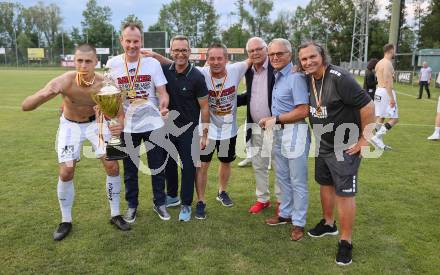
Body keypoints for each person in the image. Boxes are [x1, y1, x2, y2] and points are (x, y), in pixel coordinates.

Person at [21, 44, 130, 241]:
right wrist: (45, 94)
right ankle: (65, 220)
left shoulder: (105, 83)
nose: (83, 65)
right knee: (66, 171)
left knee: (112, 166)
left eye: (88, 61)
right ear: (74, 61)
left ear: (96, 62)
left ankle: (115, 214)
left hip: (96, 124)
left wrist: (118, 126)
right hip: (70, 126)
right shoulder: (65, 81)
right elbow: (26, 106)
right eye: (79, 60)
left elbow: (120, 115)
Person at [298, 41, 375, 265]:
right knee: (325, 183)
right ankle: (328, 224)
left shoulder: (340, 77)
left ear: (322, 56)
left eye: (312, 57)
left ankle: (346, 241)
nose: (308, 62)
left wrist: (364, 139)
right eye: (304, 59)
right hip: (323, 142)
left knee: (345, 193)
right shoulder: (307, 77)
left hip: (345, 144)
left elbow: (368, 106)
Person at [106, 22, 170, 223]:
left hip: (153, 124)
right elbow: (109, 94)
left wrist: (163, 107)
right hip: (127, 126)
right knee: (130, 170)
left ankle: (159, 202)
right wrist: (112, 118)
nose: (132, 45)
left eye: (136, 41)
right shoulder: (113, 64)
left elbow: (163, 93)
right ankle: (132, 205)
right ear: (121, 41)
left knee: (157, 167)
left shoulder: (152, 64)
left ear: (141, 41)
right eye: (128, 41)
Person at [259, 38, 310, 241]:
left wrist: (275, 119)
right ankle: (285, 214)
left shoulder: (295, 76)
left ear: (290, 55)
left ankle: (299, 222)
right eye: (271, 54)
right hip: (279, 132)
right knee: (282, 177)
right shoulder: (278, 76)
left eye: (280, 53)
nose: (275, 57)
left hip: (294, 131)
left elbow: (303, 110)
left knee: (297, 180)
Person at [160, 35, 210, 221]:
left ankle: (186, 205)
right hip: (167, 128)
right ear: (171, 51)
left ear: (189, 52)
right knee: (169, 164)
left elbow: (205, 107)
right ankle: (172, 196)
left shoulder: (197, 76)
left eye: (184, 50)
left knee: (188, 167)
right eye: (176, 50)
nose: (180, 54)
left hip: (189, 130)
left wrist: (204, 135)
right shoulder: (164, 70)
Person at [237, 37, 281, 215]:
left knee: (279, 165)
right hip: (254, 126)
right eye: (251, 51)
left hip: (276, 126)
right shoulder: (248, 70)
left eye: (258, 49)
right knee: (258, 165)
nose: (255, 53)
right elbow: (252, 94)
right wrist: (233, 99)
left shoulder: (277, 67)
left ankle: (281, 201)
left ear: (266, 49)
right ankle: (262, 199)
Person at [370, 44, 399, 150]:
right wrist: (391, 97)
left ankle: (380, 144)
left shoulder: (379, 63)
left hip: (379, 91)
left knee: (380, 117)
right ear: (391, 50)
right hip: (386, 91)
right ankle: (377, 137)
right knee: (395, 119)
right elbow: (387, 80)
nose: (395, 52)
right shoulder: (387, 63)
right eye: (394, 50)